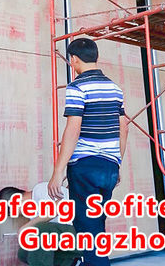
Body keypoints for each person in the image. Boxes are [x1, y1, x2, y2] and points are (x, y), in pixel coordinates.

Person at [48, 38, 128, 266]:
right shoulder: (115, 88)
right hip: (109, 167)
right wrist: (116, 162)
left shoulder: (77, 87)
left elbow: (73, 129)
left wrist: (58, 171)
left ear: (73, 59)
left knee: (87, 230)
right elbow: (124, 127)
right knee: (96, 224)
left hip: (85, 166)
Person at [0, 183, 82, 266]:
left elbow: (59, 205)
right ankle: (74, 263)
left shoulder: (40, 190)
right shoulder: (34, 216)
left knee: (40, 231)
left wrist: (27, 226)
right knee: (24, 253)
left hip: (81, 231)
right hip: (70, 243)